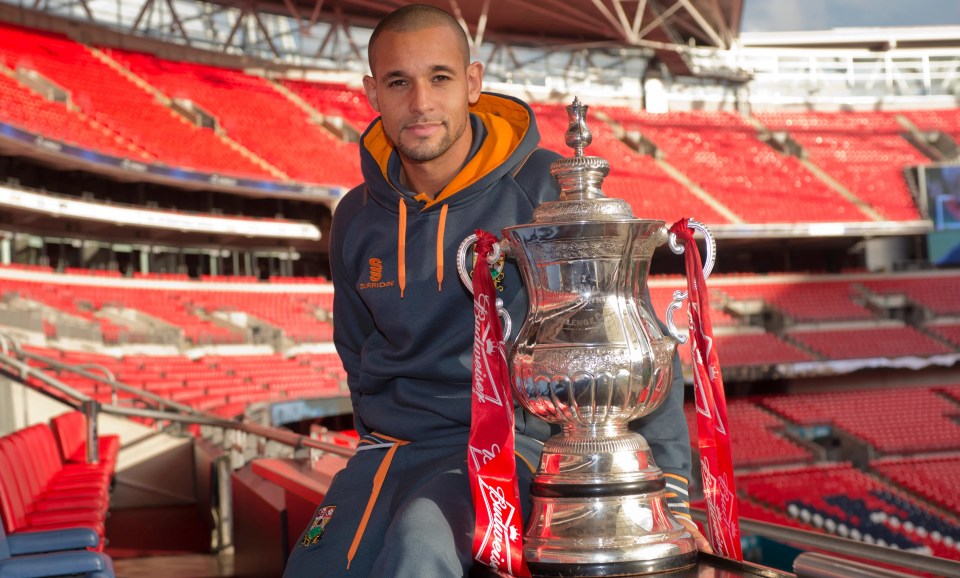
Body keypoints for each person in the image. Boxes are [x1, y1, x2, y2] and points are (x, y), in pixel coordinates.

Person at [283, 5, 709, 577]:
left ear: (473, 83)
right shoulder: (356, 216)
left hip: (512, 448)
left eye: (440, 78)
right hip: (391, 451)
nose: (421, 103)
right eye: (398, 82)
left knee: (419, 547)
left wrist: (673, 493)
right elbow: (357, 350)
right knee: (317, 566)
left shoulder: (544, 189)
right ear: (371, 92)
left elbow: (624, 332)